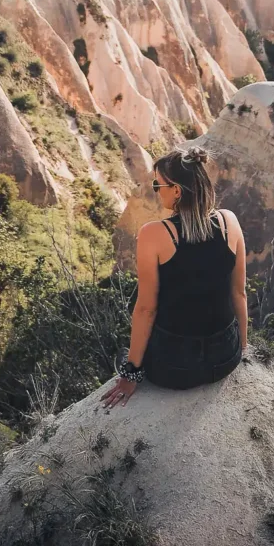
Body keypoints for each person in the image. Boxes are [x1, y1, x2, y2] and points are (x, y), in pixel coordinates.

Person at [101, 146, 247, 408]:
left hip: (175, 369)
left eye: (159, 185)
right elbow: (239, 293)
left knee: (126, 352)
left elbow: (146, 309)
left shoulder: (154, 234)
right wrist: (241, 349)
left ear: (177, 191)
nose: (156, 191)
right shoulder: (229, 222)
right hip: (225, 359)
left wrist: (131, 374)